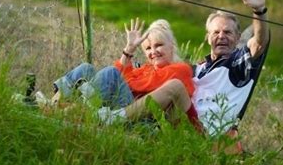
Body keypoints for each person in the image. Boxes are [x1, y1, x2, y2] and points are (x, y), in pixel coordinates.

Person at [51, 18, 202, 130]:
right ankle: (54, 103)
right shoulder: (146, 69)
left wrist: (122, 77)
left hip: (140, 118)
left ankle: (75, 110)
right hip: (120, 106)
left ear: (171, 47)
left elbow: (137, 82)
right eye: (148, 48)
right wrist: (129, 49)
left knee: (111, 73)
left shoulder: (180, 69)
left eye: (159, 45)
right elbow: (122, 74)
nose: (153, 52)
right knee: (86, 68)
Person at [192, 0, 270, 136]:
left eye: (227, 32)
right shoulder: (198, 68)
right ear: (207, 38)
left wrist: (259, 10)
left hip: (209, 137)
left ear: (238, 37)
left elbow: (260, 42)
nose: (221, 36)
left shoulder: (238, 64)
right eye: (216, 32)